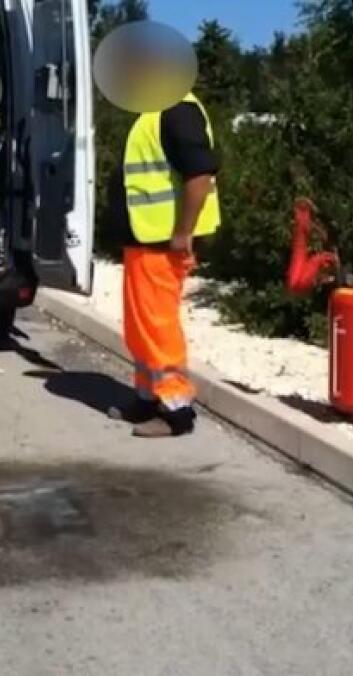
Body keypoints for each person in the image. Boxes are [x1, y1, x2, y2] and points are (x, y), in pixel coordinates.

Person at [107, 92, 221, 437]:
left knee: (157, 325)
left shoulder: (177, 109)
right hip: (145, 238)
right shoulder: (155, 108)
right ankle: (148, 397)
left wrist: (183, 231)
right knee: (140, 326)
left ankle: (176, 411)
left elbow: (199, 173)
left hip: (161, 240)